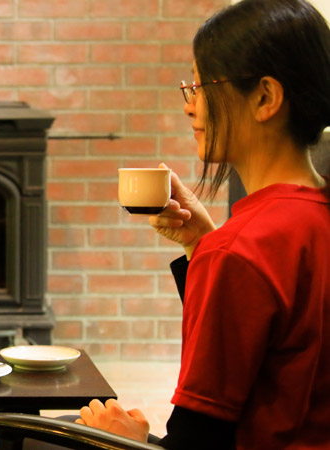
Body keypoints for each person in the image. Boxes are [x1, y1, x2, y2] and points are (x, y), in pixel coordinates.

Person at [73, 0, 330, 449]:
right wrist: (202, 246)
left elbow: (198, 441)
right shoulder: (308, 217)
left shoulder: (241, 250)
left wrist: (129, 443)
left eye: (201, 85)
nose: (190, 106)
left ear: (265, 98)